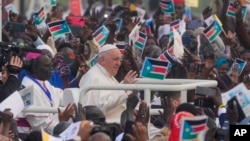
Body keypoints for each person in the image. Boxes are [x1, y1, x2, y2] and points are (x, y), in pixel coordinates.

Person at [79, 44, 138, 123]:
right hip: (109, 125)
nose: (119, 64)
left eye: (120, 60)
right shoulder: (93, 77)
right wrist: (124, 88)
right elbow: (98, 109)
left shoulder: (108, 75)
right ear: (103, 60)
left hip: (121, 121)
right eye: (115, 59)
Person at [20, 54, 75, 134]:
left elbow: (59, 94)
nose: (51, 69)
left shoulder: (44, 82)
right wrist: (62, 126)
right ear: (35, 69)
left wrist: (73, 102)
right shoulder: (28, 88)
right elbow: (39, 123)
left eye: (51, 65)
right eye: (47, 66)